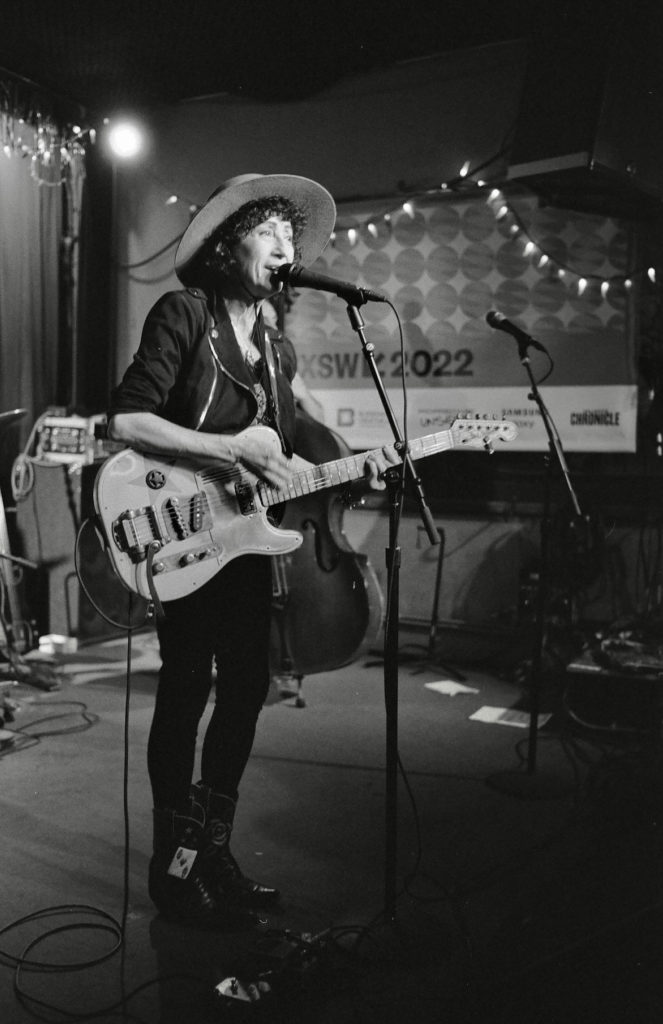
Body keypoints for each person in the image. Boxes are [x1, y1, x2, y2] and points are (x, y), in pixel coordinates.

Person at [107, 173, 400, 928]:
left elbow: (295, 447)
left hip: (241, 547)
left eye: (290, 238)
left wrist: (352, 462)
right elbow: (128, 422)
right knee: (184, 689)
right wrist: (227, 447)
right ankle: (172, 869)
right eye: (267, 232)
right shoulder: (183, 315)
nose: (284, 248)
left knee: (243, 689)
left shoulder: (276, 348)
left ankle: (214, 851)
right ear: (226, 245)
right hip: (179, 532)